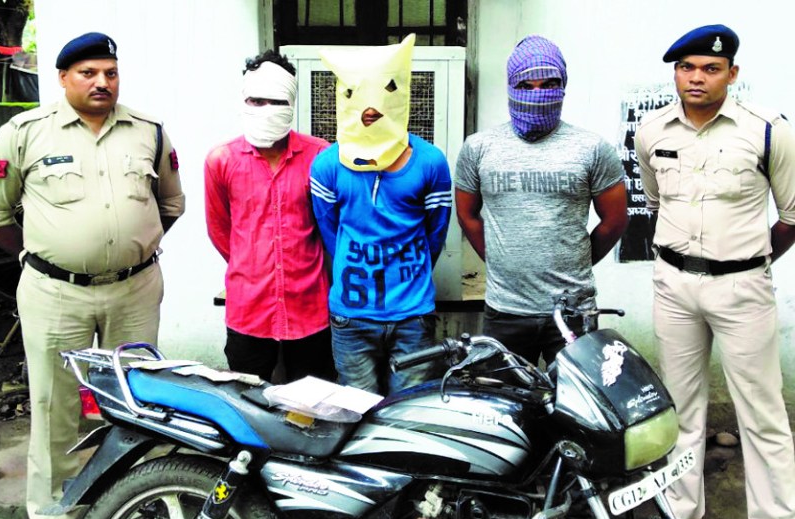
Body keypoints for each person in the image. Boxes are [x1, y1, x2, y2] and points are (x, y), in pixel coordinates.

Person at [0, 32, 185, 519]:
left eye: (111, 73)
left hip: (134, 290)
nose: (102, 82)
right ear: (63, 78)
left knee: (134, 401)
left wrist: (126, 249)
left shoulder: (149, 132)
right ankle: (53, 511)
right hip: (55, 293)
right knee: (54, 405)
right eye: (88, 73)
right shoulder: (24, 132)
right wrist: (50, 257)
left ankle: (133, 501)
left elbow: (170, 204)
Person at [635, 24, 795, 519]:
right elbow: (656, 205)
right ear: (676, 74)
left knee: (762, 414)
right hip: (674, 286)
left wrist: (748, 261)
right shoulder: (651, 130)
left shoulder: (768, 130)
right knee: (678, 410)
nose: (696, 78)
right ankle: (681, 512)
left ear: (732, 73)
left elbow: (791, 216)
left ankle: (775, 517)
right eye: (686, 68)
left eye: (710, 68)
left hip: (742, 288)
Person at [454, 35, 628, 366]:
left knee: (576, 397)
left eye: (549, 84)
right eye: (526, 85)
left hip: (572, 311)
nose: (538, 94)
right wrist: (500, 261)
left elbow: (615, 221)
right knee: (502, 393)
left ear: (564, 86)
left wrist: (576, 264)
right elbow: (467, 215)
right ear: (510, 86)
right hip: (505, 310)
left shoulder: (592, 148)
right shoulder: (479, 147)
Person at [310, 34, 452, 395]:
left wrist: (408, 276)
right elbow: (329, 231)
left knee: (408, 411)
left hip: (412, 315)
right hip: (352, 316)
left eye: (385, 90)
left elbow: (436, 233)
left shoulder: (431, 162)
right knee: (356, 411)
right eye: (356, 93)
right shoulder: (326, 165)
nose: (370, 107)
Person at [205, 50, 335, 383]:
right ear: (244, 100)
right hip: (249, 309)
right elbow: (220, 229)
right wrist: (252, 265)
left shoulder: (320, 157)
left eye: (276, 102)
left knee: (311, 401)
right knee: (247, 398)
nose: (265, 109)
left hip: (310, 307)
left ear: (291, 103)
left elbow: (330, 227)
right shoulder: (221, 160)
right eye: (256, 101)